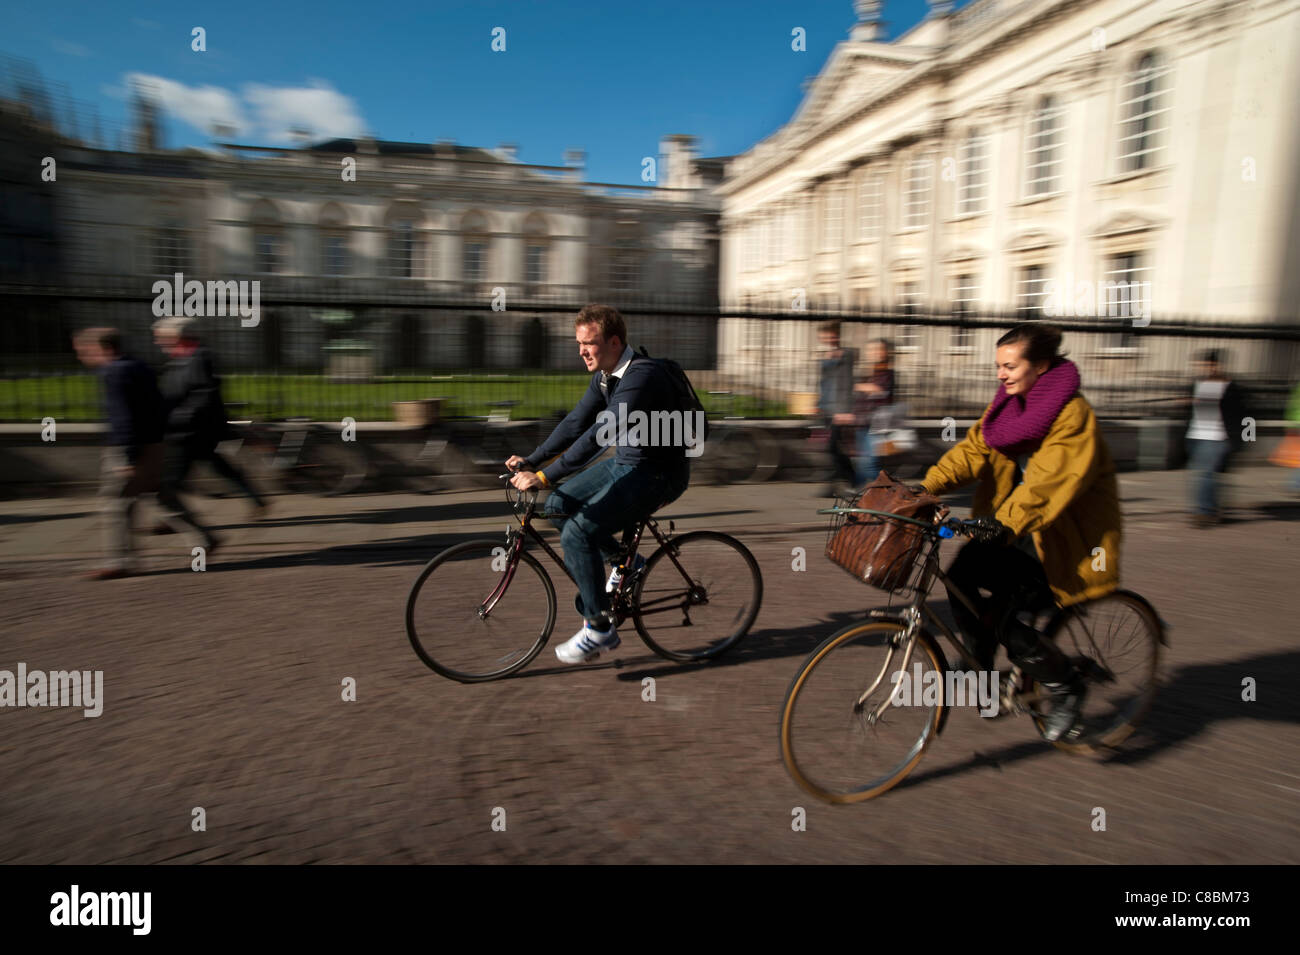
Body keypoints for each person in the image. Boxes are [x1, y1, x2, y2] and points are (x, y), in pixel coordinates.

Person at [918, 322, 1121, 742]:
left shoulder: (1073, 415)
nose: (1001, 374)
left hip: (1061, 538)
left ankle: (1066, 686)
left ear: (1042, 366)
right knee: (958, 582)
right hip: (1011, 527)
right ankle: (980, 664)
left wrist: (999, 524)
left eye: (1010, 365)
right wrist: (924, 489)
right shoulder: (1009, 408)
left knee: (1007, 620)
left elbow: (1046, 485)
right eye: (998, 366)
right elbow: (973, 451)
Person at [506, 305, 691, 664]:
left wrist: (544, 476)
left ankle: (599, 628)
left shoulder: (641, 377)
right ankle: (626, 562)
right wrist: (533, 458)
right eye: (579, 343)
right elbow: (576, 422)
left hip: (659, 474)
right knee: (558, 505)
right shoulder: (605, 376)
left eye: (589, 343)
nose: (581, 351)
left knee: (577, 534)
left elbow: (600, 434)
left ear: (614, 341)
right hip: (627, 464)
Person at [152, 318, 266, 533]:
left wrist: (177, 418)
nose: (158, 342)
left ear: (177, 336)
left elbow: (203, 395)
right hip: (192, 430)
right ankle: (257, 500)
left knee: (171, 479)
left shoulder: (199, 357)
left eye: (161, 337)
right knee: (218, 468)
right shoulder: (179, 358)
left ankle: (175, 518)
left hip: (192, 430)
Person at [73, 327, 168, 579]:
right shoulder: (139, 365)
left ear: (102, 348)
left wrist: (126, 456)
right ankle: (204, 537)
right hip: (152, 443)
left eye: (84, 351)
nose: (82, 357)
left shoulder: (114, 372)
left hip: (128, 446)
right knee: (158, 496)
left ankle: (119, 561)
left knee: (115, 503)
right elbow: (158, 407)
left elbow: (123, 417)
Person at [1184, 349, 1248, 526]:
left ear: (1219, 365)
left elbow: (1246, 416)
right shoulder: (1196, 384)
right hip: (1195, 436)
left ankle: (1203, 512)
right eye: (1205, 365)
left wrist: (1245, 440)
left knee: (1205, 473)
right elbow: (1189, 412)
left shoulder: (1232, 387)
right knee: (1208, 475)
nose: (1208, 368)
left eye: (1211, 364)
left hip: (1217, 437)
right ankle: (1214, 508)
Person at [813, 322, 857, 495]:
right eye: (824, 336)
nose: (827, 339)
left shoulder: (846, 355)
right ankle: (834, 483)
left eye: (830, 335)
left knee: (833, 446)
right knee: (831, 447)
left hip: (840, 408)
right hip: (827, 407)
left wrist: (845, 410)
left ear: (837, 336)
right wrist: (818, 403)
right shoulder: (826, 356)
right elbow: (824, 382)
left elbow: (847, 383)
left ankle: (852, 479)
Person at [851, 338, 896, 486]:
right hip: (862, 421)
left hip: (877, 423)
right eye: (871, 350)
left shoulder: (887, 372)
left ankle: (889, 491)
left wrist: (857, 386)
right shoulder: (870, 371)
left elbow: (878, 389)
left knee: (869, 461)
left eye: (878, 349)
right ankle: (860, 489)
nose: (874, 352)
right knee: (865, 460)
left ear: (885, 352)